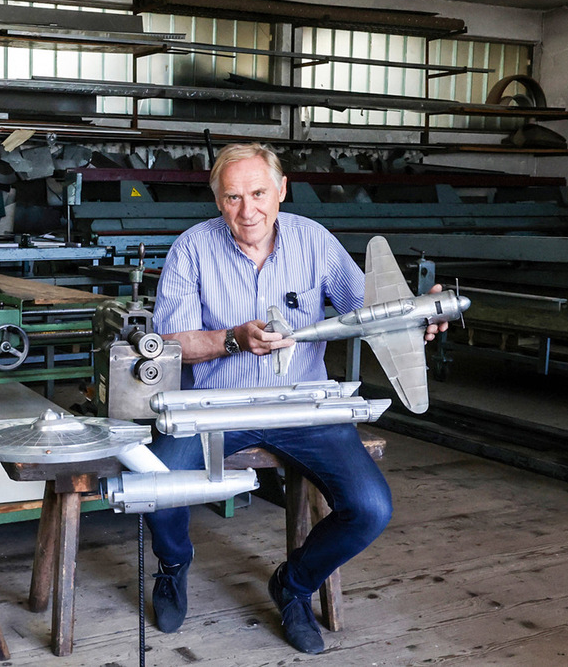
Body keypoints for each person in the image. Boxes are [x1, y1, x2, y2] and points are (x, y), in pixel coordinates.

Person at [145, 142, 447, 654]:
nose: (248, 210)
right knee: (155, 483)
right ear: (218, 200)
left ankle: (294, 585)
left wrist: (420, 315)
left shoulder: (315, 241)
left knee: (370, 506)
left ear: (281, 190)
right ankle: (174, 564)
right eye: (233, 197)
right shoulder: (192, 249)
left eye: (259, 193)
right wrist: (233, 338)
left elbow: (370, 308)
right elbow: (170, 346)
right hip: (216, 408)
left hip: (304, 405)